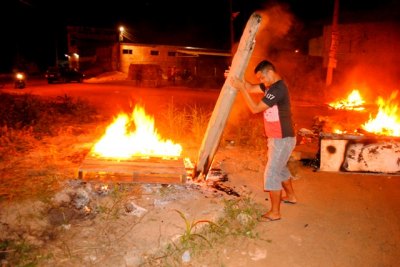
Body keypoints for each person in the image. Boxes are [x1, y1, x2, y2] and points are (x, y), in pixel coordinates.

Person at [230, 60, 297, 222]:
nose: (261, 81)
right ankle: (291, 196)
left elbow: (254, 108)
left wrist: (240, 89)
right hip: (278, 137)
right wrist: (236, 80)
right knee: (279, 168)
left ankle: (275, 212)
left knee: (272, 172)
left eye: (261, 77)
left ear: (270, 73)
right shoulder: (271, 86)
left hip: (282, 138)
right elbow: (250, 87)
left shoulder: (278, 89)